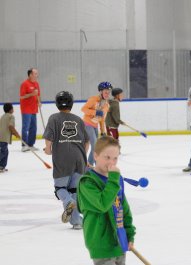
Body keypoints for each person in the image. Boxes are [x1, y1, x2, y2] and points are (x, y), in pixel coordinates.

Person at [78, 136, 135, 264]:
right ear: (95, 156)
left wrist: (129, 234)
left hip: (119, 241)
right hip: (101, 243)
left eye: (115, 158)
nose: (111, 162)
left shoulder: (116, 180)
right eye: (107, 157)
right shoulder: (87, 182)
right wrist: (114, 179)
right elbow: (103, 204)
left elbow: (123, 209)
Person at [43, 91, 89, 229]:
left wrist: (48, 149)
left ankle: (68, 201)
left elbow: (49, 138)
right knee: (74, 190)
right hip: (79, 159)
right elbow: (86, 142)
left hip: (62, 159)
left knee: (60, 188)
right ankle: (76, 222)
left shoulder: (54, 118)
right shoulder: (78, 120)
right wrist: (83, 157)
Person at [82, 82, 112, 166]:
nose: (107, 94)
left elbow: (102, 119)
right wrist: (95, 112)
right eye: (106, 92)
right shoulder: (93, 99)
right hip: (87, 124)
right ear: (101, 92)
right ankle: (91, 165)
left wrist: (103, 131)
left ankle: (91, 165)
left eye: (109, 92)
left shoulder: (106, 105)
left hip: (95, 126)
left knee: (96, 147)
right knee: (95, 145)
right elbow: (83, 109)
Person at [20, 68, 41, 152]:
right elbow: (22, 96)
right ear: (30, 75)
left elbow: (38, 95)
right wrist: (32, 94)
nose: (37, 75)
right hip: (26, 109)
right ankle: (24, 145)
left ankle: (31, 144)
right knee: (26, 127)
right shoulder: (25, 84)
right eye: (35, 73)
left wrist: (39, 102)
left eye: (37, 73)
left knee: (34, 128)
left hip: (34, 109)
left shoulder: (36, 84)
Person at [0, 103, 21, 172]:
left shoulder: (2, 116)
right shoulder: (11, 116)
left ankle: (2, 166)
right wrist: (16, 134)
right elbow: (10, 126)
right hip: (4, 137)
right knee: (3, 152)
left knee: (5, 151)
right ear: (11, 109)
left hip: (1, 137)